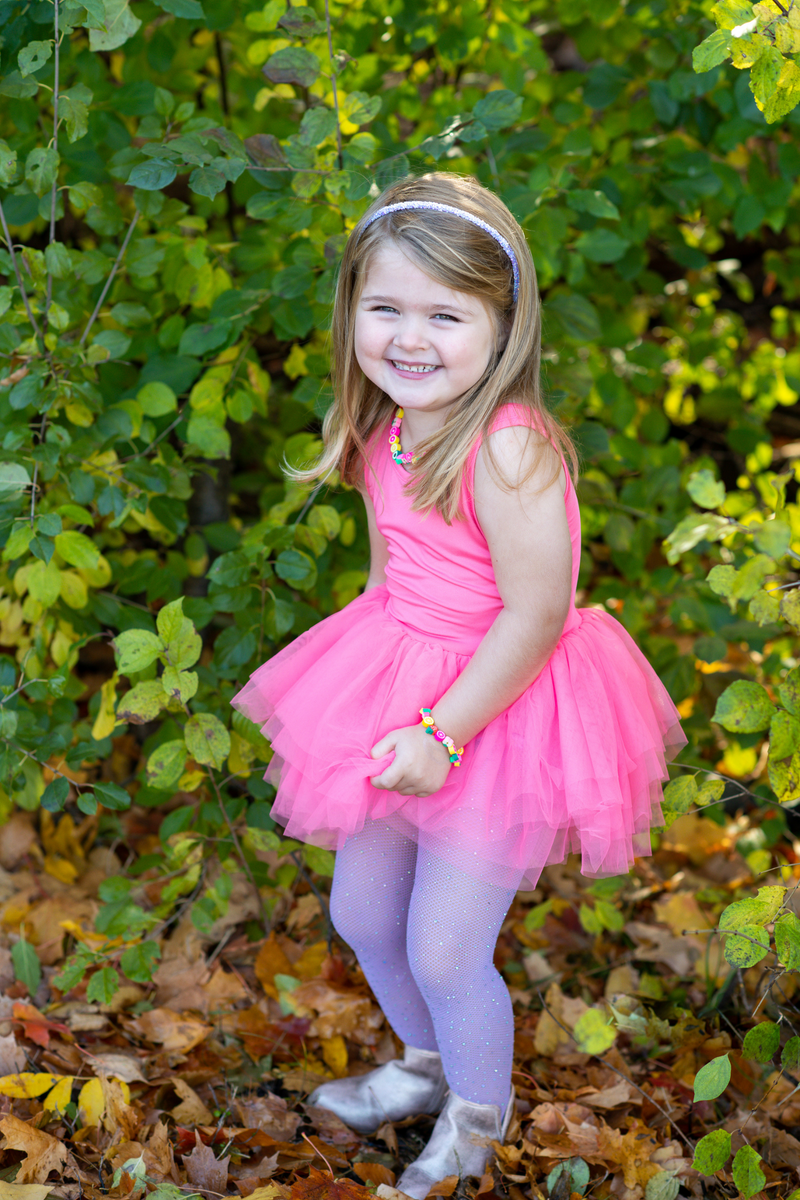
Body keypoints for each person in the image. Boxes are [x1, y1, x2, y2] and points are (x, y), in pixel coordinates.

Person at [231, 172, 686, 1198]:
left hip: (501, 710)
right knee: (364, 915)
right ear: (351, 310)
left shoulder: (509, 447)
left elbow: (535, 615)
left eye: (445, 316)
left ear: (502, 326)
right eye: (385, 308)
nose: (409, 338)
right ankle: (426, 1063)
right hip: (401, 687)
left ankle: (476, 1120)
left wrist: (442, 732)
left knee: (443, 947)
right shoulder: (383, 429)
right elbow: (387, 578)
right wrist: (368, 697)